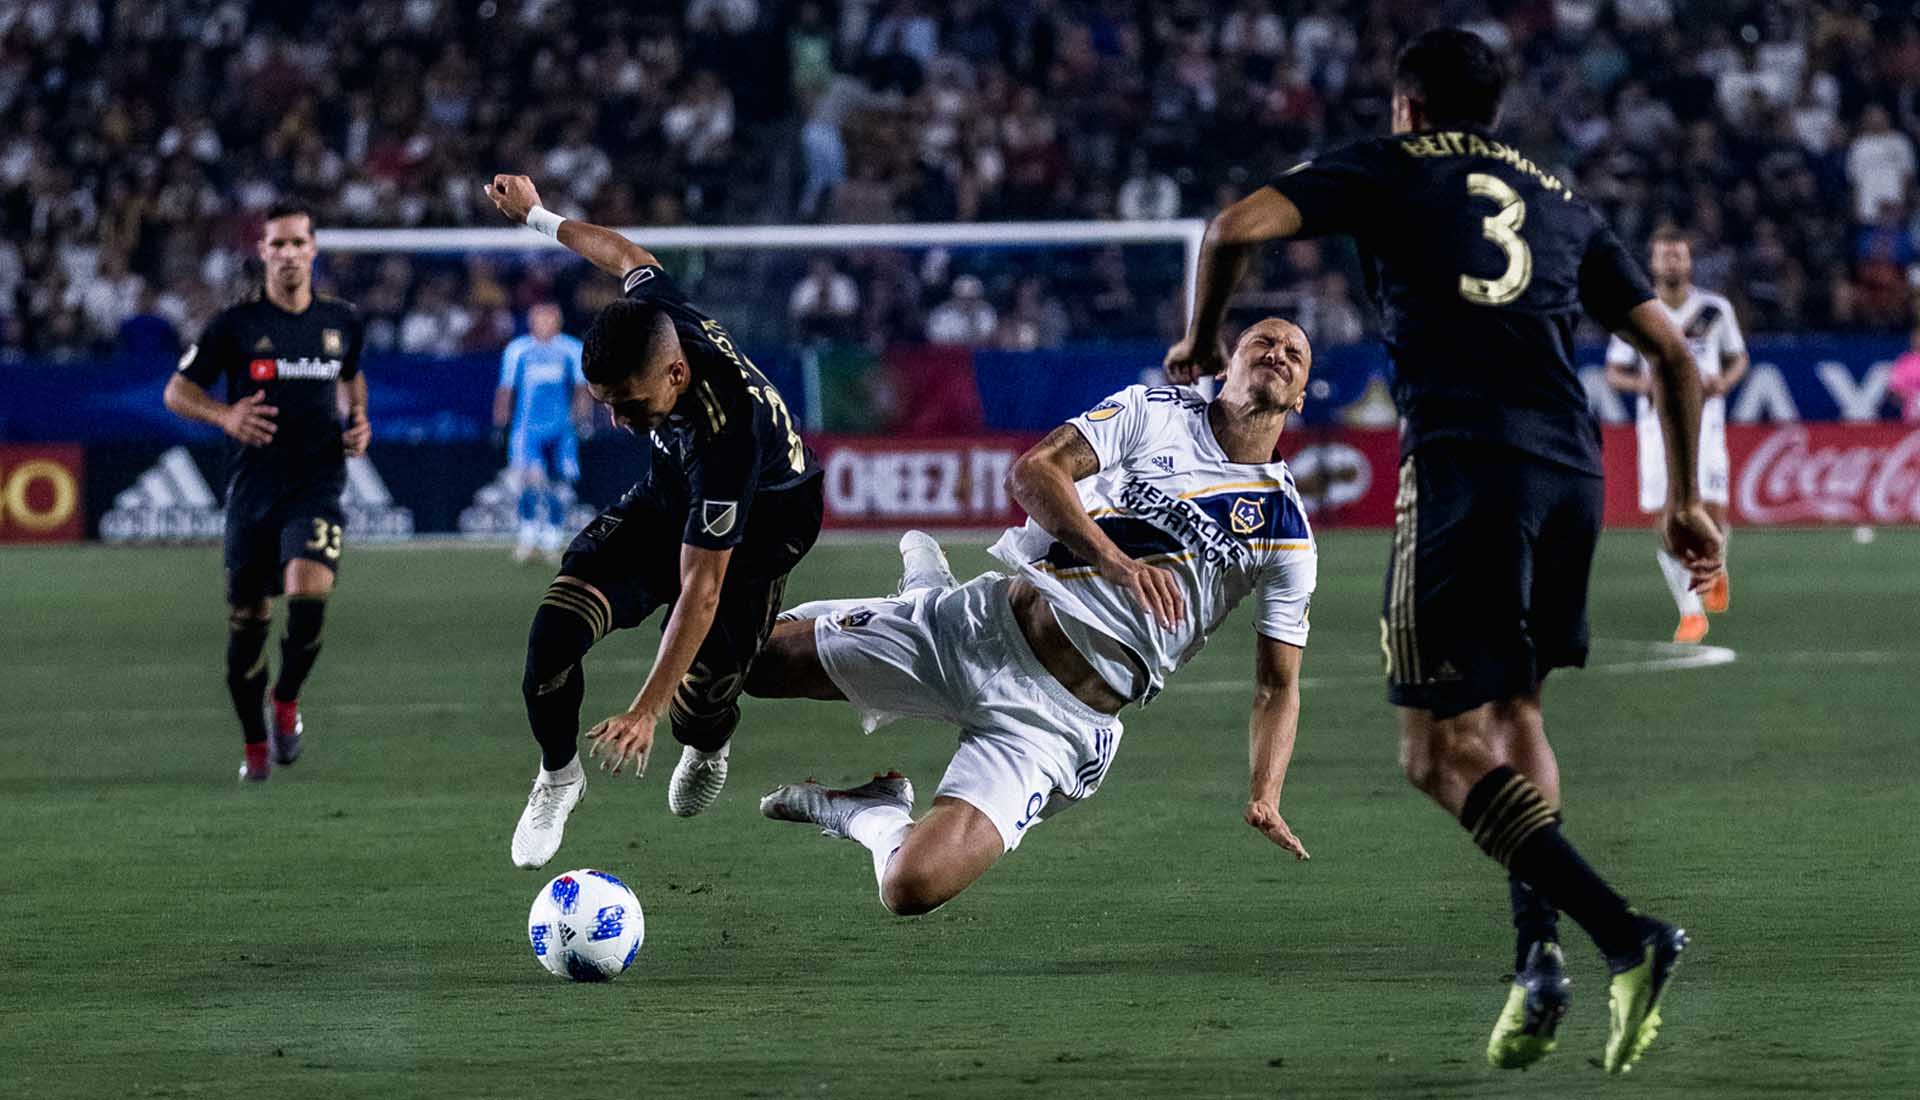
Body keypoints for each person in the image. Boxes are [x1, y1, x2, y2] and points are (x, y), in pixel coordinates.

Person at [1164, 28, 1724, 1076]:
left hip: (1468, 465)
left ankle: (1626, 935)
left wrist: (1202, 338)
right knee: (1516, 715)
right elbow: (1674, 355)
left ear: (1407, 105)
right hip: (1573, 472)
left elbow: (1232, 225)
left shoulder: (1390, 165)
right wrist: (1686, 498)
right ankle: (1536, 960)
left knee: (1432, 751)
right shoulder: (1559, 195)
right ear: (1493, 111)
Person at [743, 318, 1318, 916]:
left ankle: (871, 810)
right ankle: (923, 602)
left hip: (1054, 725)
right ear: (1228, 366)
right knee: (750, 663)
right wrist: (1116, 562)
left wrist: (1265, 794)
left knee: (909, 888)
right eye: (1263, 341)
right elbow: (1032, 472)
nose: (1278, 352)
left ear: (1301, 395)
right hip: (981, 630)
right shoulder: (1155, 412)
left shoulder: (1287, 532)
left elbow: (1278, 685)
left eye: (1295, 353)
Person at [485, 174, 824, 868]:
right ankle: (559, 777)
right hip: (672, 496)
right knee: (553, 634)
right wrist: (538, 216)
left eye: (631, 404)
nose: (618, 420)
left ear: (675, 375)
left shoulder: (726, 436)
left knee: (699, 700)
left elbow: (701, 587)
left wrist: (645, 709)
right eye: (605, 403)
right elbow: (625, 254)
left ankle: (707, 742)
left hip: (765, 528)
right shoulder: (656, 313)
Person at [162, 202, 371, 782]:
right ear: (263, 252)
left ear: (313, 249)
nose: (288, 254)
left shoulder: (342, 321)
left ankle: (286, 699)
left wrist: (359, 420)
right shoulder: (234, 325)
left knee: (309, 595)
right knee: (248, 622)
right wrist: (225, 416)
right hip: (253, 491)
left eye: (297, 242)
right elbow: (177, 392)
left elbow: (352, 375)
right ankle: (255, 742)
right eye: (277, 244)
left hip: (317, 484)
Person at [1605, 228, 1747, 642]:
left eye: (1678, 255)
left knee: (1712, 512)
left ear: (1689, 261)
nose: (1672, 262)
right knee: (1668, 516)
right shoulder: (1638, 311)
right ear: (1652, 263)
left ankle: (1715, 565)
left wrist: (1724, 381)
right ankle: (1690, 612)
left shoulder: (1714, 310)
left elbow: (1738, 358)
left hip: (1707, 424)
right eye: (1664, 255)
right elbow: (1614, 372)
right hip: (1656, 428)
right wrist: (1642, 384)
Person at [494, 303, 589, 563]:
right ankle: (527, 538)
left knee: (558, 485)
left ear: (558, 323)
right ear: (531, 322)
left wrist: (583, 419)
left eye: (550, 320)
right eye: (540, 320)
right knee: (530, 481)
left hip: (561, 429)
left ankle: (552, 539)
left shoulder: (571, 349)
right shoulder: (518, 350)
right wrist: (500, 422)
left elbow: (581, 388)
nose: (545, 325)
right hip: (527, 429)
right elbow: (506, 388)